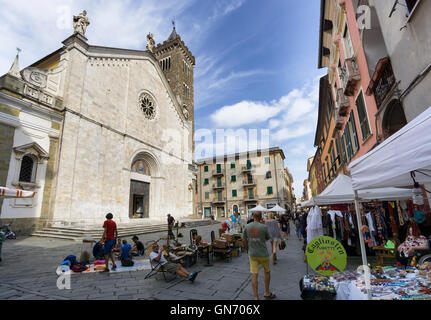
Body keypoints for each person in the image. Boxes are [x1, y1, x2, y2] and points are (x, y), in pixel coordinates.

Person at [243, 211, 276, 300]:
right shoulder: (264, 227)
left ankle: (256, 297)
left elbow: (244, 239)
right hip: (263, 254)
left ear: (253, 216)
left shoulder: (247, 226)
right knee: (267, 272)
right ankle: (267, 292)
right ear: (261, 217)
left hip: (252, 254)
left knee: (254, 274)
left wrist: (247, 249)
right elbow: (268, 238)